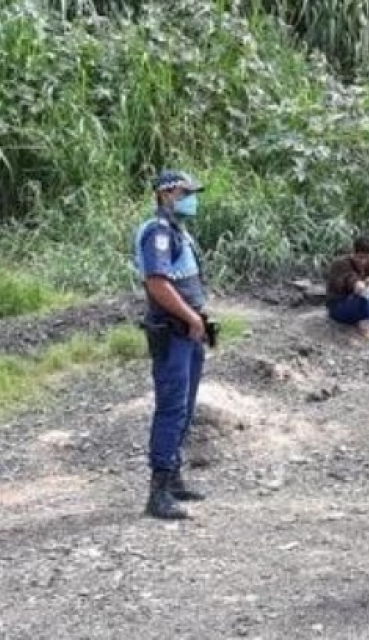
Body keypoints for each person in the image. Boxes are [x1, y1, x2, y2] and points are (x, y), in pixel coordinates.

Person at [133, 170, 212, 520]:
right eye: (185, 192)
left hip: (188, 332)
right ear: (166, 194)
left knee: (186, 406)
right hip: (174, 332)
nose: (191, 198)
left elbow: (187, 282)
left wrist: (201, 318)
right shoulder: (158, 233)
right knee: (171, 408)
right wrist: (192, 318)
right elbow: (158, 284)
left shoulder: (178, 232)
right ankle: (159, 491)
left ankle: (174, 477)